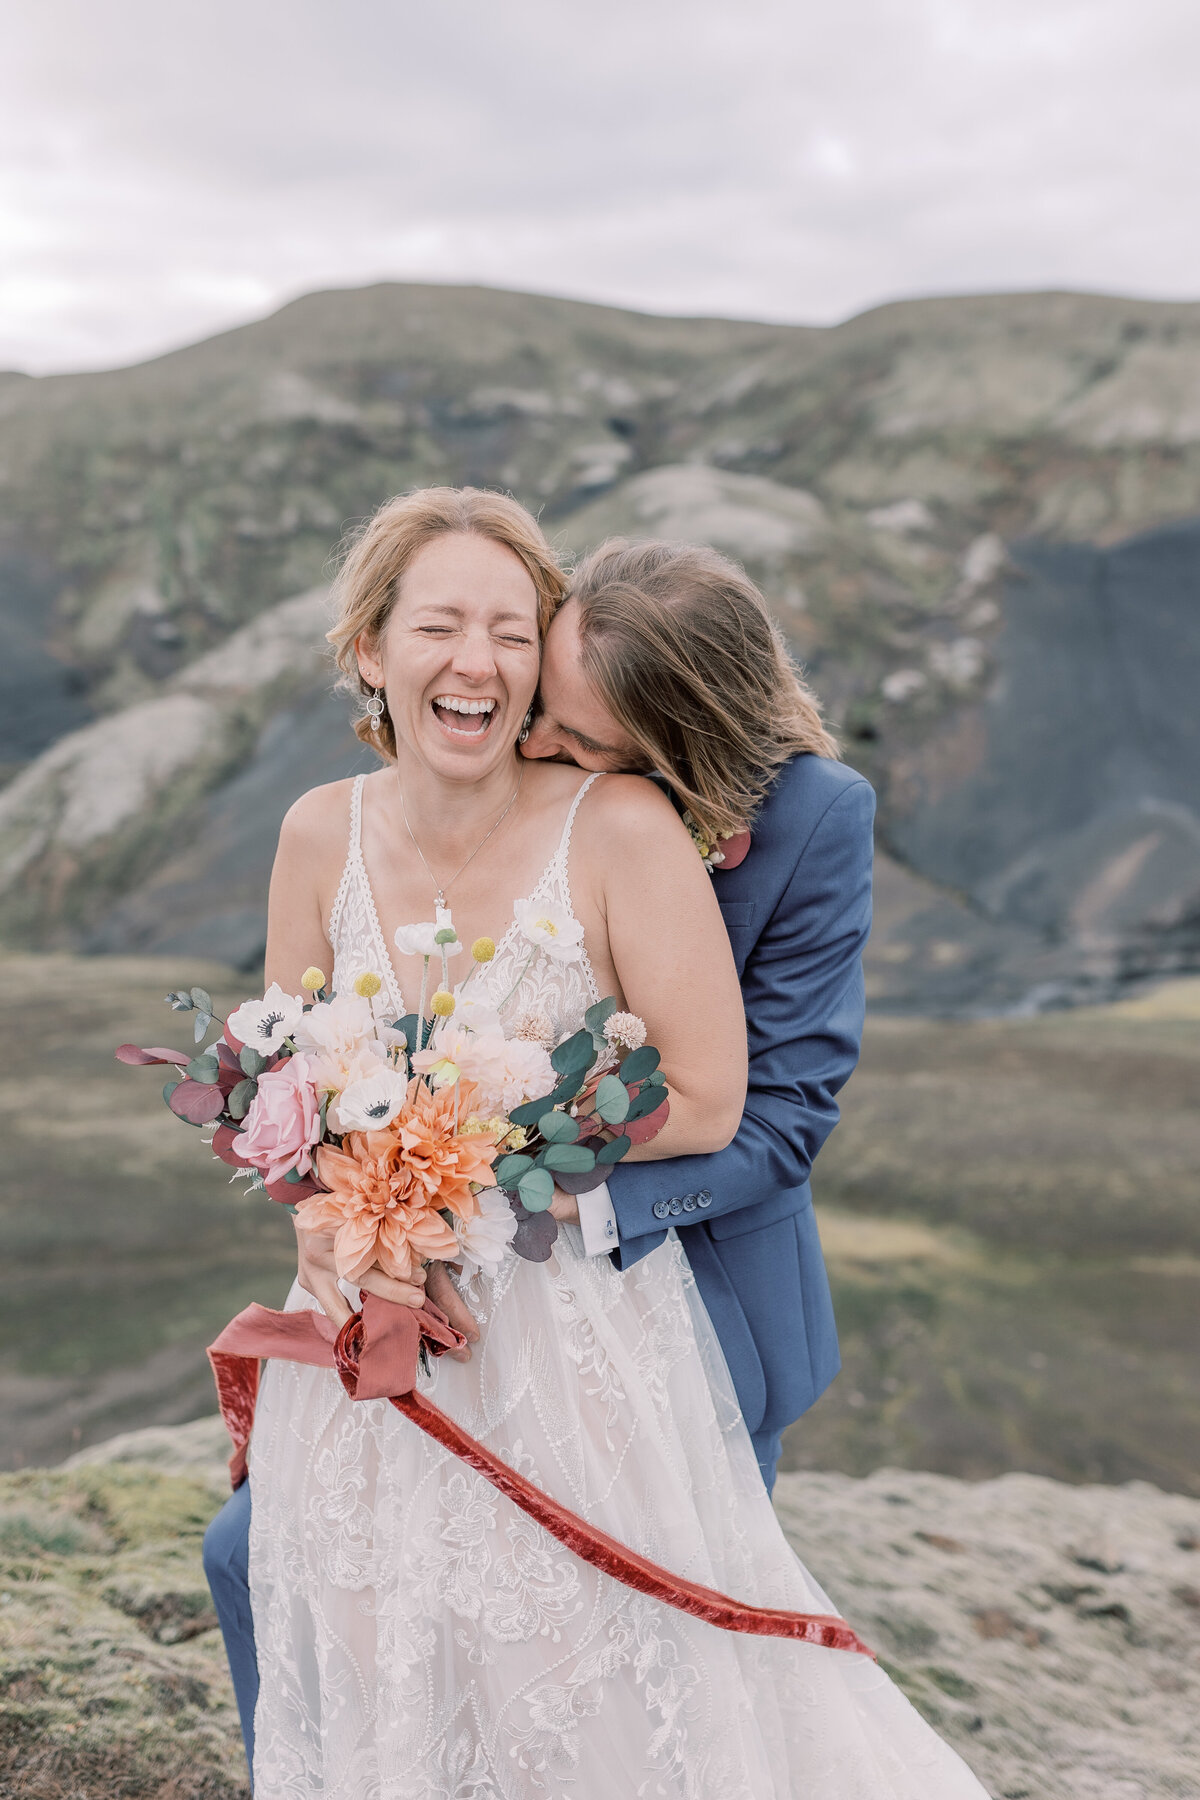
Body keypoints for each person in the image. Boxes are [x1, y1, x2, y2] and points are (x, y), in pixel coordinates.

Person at [205, 487, 989, 1796]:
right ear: (369, 649)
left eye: (572, 726)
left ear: (668, 739)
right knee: (263, 1559)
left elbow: (766, 1115)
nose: (536, 733)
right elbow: (285, 1055)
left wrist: (503, 1185)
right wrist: (338, 1198)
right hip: (411, 1291)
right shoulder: (331, 827)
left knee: (588, 1621)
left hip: (661, 1284)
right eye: (538, 704)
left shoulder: (784, 823)